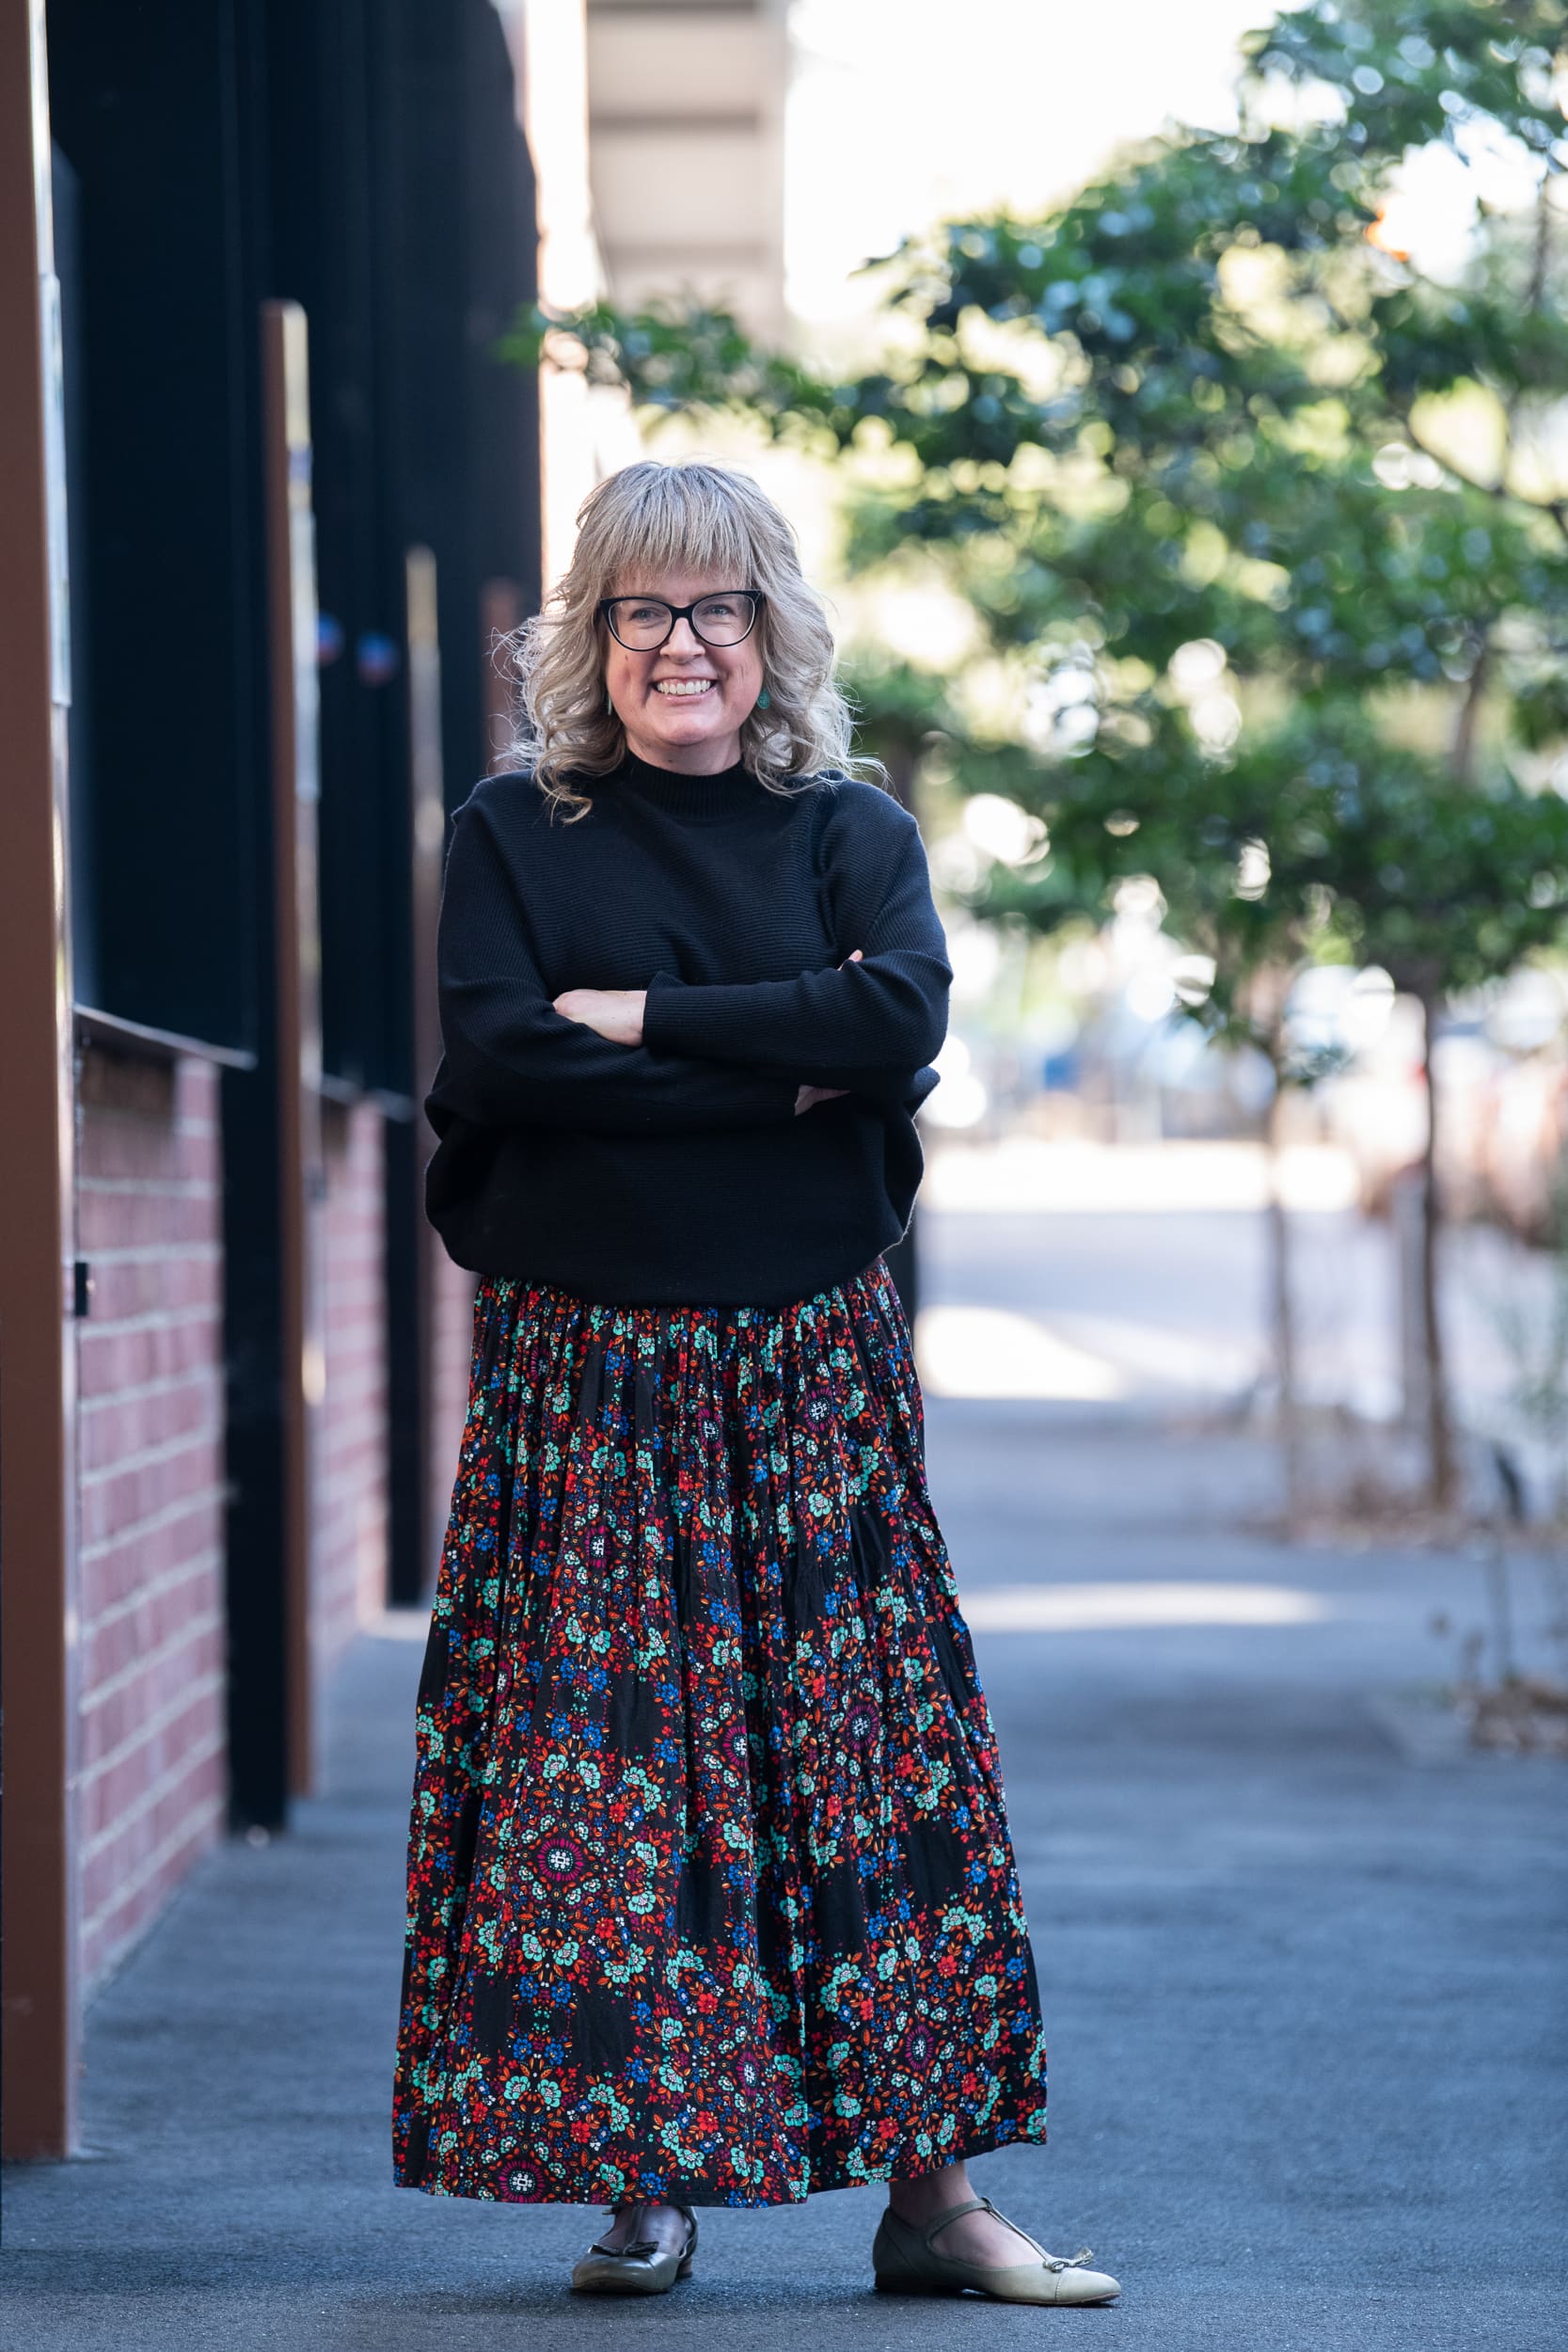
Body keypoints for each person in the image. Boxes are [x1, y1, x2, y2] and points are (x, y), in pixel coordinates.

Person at [390, 457, 1119, 2308]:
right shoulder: (510, 829)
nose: (681, 643)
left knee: (873, 1776)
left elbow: (897, 1020)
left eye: (717, 607)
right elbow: (498, 1055)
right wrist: (773, 1065)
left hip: (810, 1364)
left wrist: (635, 1018)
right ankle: (638, 2184)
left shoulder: (845, 829)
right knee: (605, 1786)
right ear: (590, 633)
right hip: (590, 1370)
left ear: (773, 627)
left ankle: (934, 2206)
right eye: (641, 608)